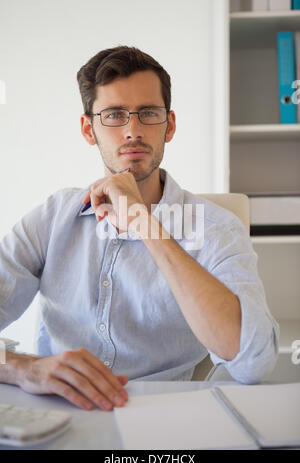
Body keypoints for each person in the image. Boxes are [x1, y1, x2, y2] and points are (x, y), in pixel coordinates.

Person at [0, 46, 279, 412]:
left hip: (165, 417)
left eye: (148, 113)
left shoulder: (215, 227)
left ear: (170, 124)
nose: (133, 131)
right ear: (89, 129)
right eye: (114, 115)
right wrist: (23, 368)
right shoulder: (54, 216)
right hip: (58, 414)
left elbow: (253, 360)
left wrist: (143, 222)